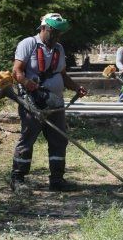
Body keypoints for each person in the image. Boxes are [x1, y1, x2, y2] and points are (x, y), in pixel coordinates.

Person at [11, 13, 87, 192]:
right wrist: (26, 83)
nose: (57, 36)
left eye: (60, 33)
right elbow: (17, 71)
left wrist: (76, 88)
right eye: (54, 32)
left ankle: (57, 180)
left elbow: (62, 74)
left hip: (56, 103)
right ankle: (17, 179)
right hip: (33, 102)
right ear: (44, 28)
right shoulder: (28, 44)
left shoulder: (58, 49)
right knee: (27, 139)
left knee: (59, 140)